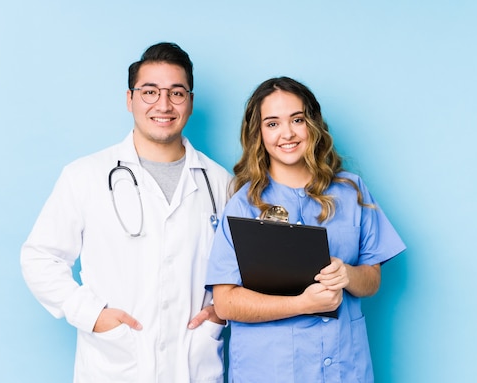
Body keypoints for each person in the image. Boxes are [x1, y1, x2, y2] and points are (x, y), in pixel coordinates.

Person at [21, 42, 232, 383]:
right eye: (149, 91)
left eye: (176, 93)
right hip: (114, 364)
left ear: (190, 102)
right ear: (129, 99)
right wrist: (91, 314)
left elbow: (240, 269)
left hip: (195, 366)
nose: (163, 104)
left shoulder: (220, 183)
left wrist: (219, 312)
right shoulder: (85, 175)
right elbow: (39, 257)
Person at [205, 76, 406, 382]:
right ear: (258, 133)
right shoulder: (244, 205)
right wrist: (303, 304)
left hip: (344, 367)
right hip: (271, 369)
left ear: (312, 123)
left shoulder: (351, 191)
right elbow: (226, 302)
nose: (287, 133)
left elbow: (372, 279)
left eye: (296, 119)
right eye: (272, 124)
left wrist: (348, 274)